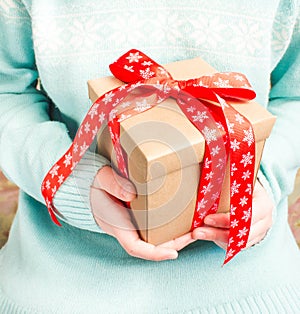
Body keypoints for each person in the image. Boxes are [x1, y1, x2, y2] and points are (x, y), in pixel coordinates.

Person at [0, 0, 299, 312]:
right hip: (54, 280)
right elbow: (7, 90)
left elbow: (295, 94)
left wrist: (260, 179)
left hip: (250, 282)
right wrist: (75, 181)